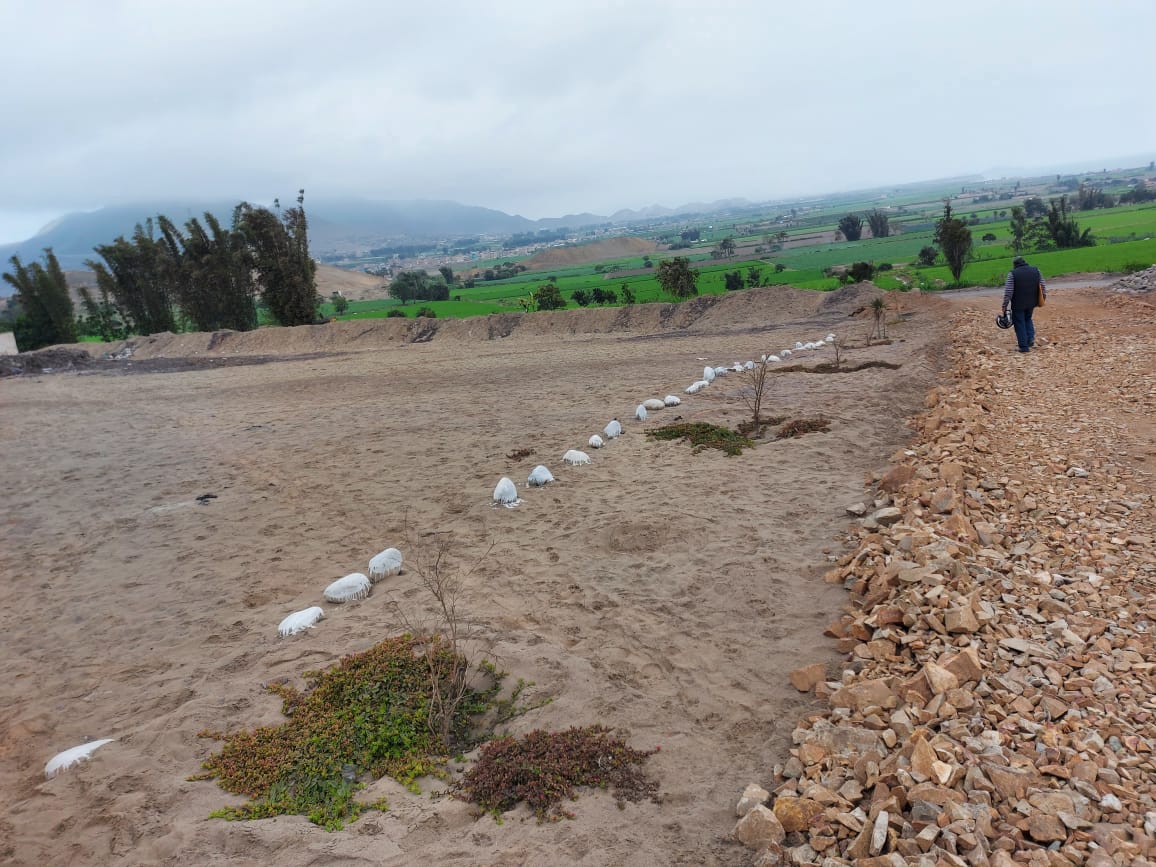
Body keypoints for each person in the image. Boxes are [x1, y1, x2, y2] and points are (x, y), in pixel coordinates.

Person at [1002, 255, 1046, 353]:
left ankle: (1023, 347)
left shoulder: (1012, 274)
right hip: (1032, 302)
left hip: (1018, 304)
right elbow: (1042, 285)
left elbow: (1008, 292)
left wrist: (1005, 305)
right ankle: (1030, 339)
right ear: (1024, 262)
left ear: (1014, 264)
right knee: (1028, 318)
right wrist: (1043, 297)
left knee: (1019, 322)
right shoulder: (1036, 270)